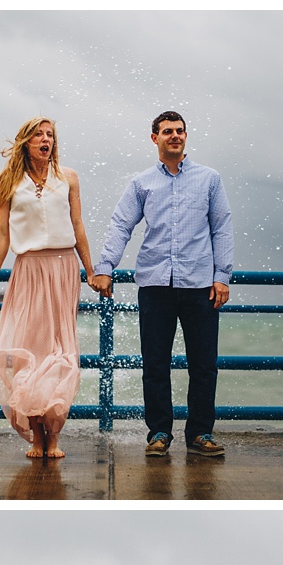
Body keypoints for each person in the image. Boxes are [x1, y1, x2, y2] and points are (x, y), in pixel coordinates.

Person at [91, 112, 233, 459]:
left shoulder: (209, 179)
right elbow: (122, 225)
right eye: (167, 131)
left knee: (204, 364)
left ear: (186, 136)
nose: (175, 136)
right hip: (155, 283)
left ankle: (200, 432)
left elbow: (222, 228)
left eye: (180, 131)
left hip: (200, 285)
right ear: (154, 138)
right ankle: (158, 432)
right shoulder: (141, 183)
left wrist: (222, 276)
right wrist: (105, 267)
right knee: (155, 363)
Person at [0, 117, 98, 460]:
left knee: (61, 354)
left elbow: (77, 224)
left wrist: (91, 272)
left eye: (50, 134)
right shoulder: (7, 182)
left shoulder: (68, 177)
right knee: (28, 355)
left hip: (64, 269)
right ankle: (36, 438)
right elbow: (3, 233)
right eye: (39, 134)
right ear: (26, 142)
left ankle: (54, 436)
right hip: (29, 271)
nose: (45, 139)